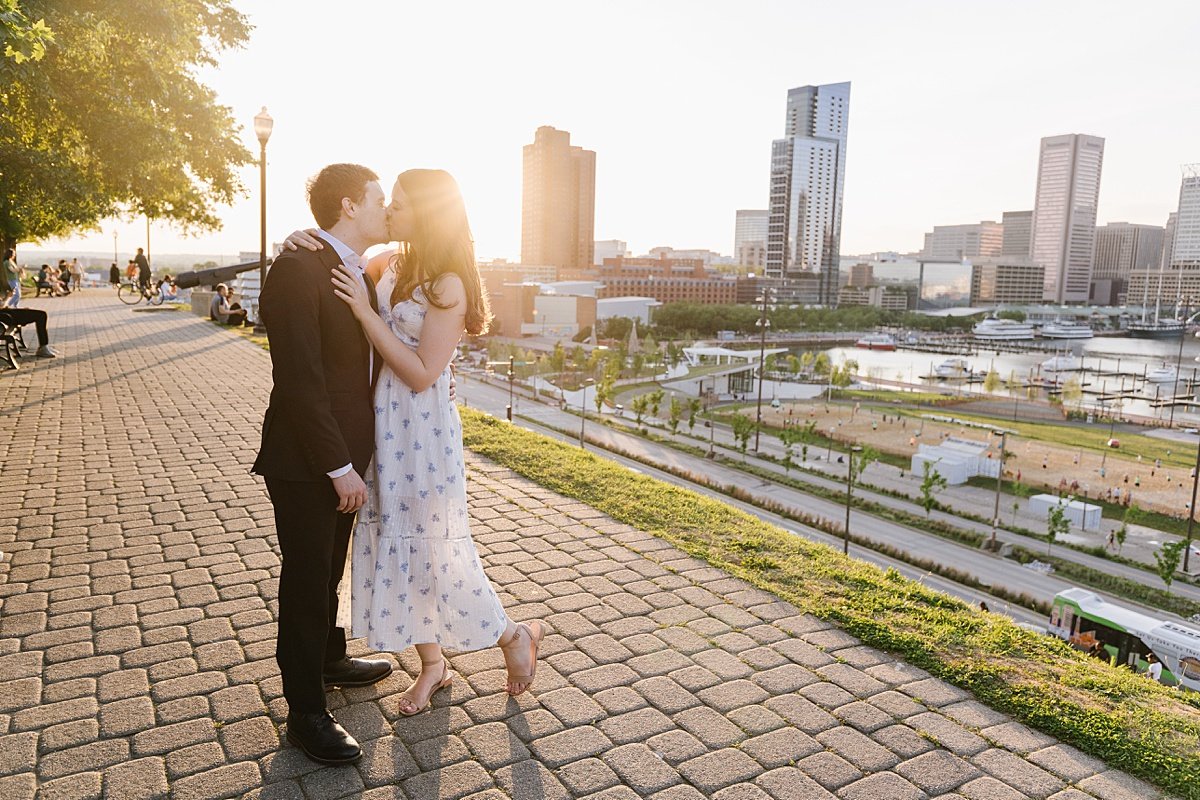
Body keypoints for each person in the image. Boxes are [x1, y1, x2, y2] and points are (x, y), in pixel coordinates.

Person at [283, 169, 545, 721]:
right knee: (401, 550)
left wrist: (363, 312)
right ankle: (433, 665)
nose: (391, 212)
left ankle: (513, 633)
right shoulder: (393, 265)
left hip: (422, 432)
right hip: (384, 427)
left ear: (426, 213)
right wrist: (296, 238)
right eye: (388, 202)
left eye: (400, 204)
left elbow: (425, 371)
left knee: (435, 548)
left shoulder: (449, 282)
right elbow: (339, 257)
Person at [251, 164, 395, 766]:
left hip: (346, 456)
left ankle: (330, 656)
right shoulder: (297, 268)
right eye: (379, 200)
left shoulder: (358, 265)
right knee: (308, 580)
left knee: (329, 567)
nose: (386, 210)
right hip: (310, 460)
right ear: (349, 205)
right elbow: (300, 379)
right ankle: (306, 710)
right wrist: (337, 465)